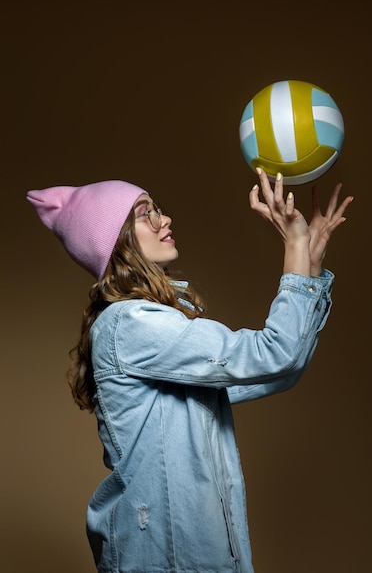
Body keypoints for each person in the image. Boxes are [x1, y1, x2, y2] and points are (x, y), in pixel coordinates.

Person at [27, 168, 353, 573]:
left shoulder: (149, 328)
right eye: (146, 213)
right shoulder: (132, 323)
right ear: (115, 241)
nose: (165, 220)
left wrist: (310, 265)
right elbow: (276, 354)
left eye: (159, 210)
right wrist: (295, 247)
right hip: (163, 556)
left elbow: (280, 370)